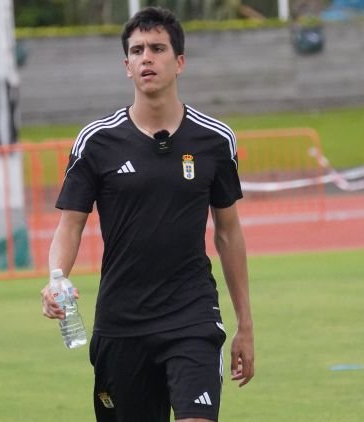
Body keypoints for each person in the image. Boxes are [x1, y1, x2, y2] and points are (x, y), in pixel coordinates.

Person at [41, 6, 254, 422]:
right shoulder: (96, 141)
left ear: (179, 62)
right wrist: (56, 278)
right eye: (137, 51)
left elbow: (228, 233)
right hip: (121, 322)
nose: (146, 58)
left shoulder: (215, 139)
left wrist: (245, 324)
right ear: (126, 66)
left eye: (157, 48)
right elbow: (70, 225)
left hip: (191, 315)